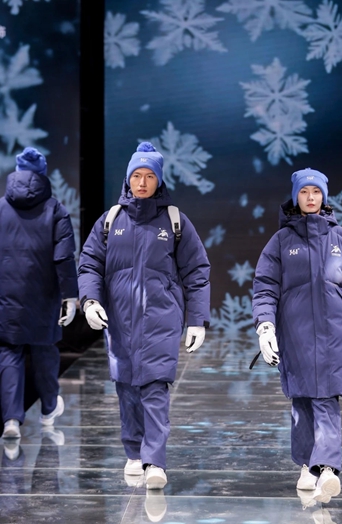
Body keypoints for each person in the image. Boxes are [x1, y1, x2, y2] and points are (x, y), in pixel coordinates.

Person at [77, 142, 211, 490]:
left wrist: (197, 320)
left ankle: (155, 461)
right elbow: (89, 264)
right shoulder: (110, 221)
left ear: (159, 181)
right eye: (136, 175)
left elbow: (197, 272)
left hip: (161, 321)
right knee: (126, 389)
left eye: (149, 176)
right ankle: (134, 452)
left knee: (154, 387)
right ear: (128, 179)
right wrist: (90, 301)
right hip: (120, 322)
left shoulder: (175, 221)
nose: (142, 182)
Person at [252, 168, 342, 504]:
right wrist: (265, 326)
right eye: (305, 192)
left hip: (336, 333)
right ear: (296, 196)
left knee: (326, 399)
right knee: (303, 401)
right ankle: (308, 464)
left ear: (324, 196)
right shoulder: (280, 242)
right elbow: (265, 287)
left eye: (316, 192)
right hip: (295, 335)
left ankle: (328, 469)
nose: (311, 198)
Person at [0, 147, 78, 439]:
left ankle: (11, 419)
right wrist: (70, 296)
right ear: (44, 175)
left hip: (6, 294)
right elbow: (64, 257)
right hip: (44, 294)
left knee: (9, 352)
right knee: (45, 349)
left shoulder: (0, 208)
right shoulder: (56, 209)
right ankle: (48, 408)